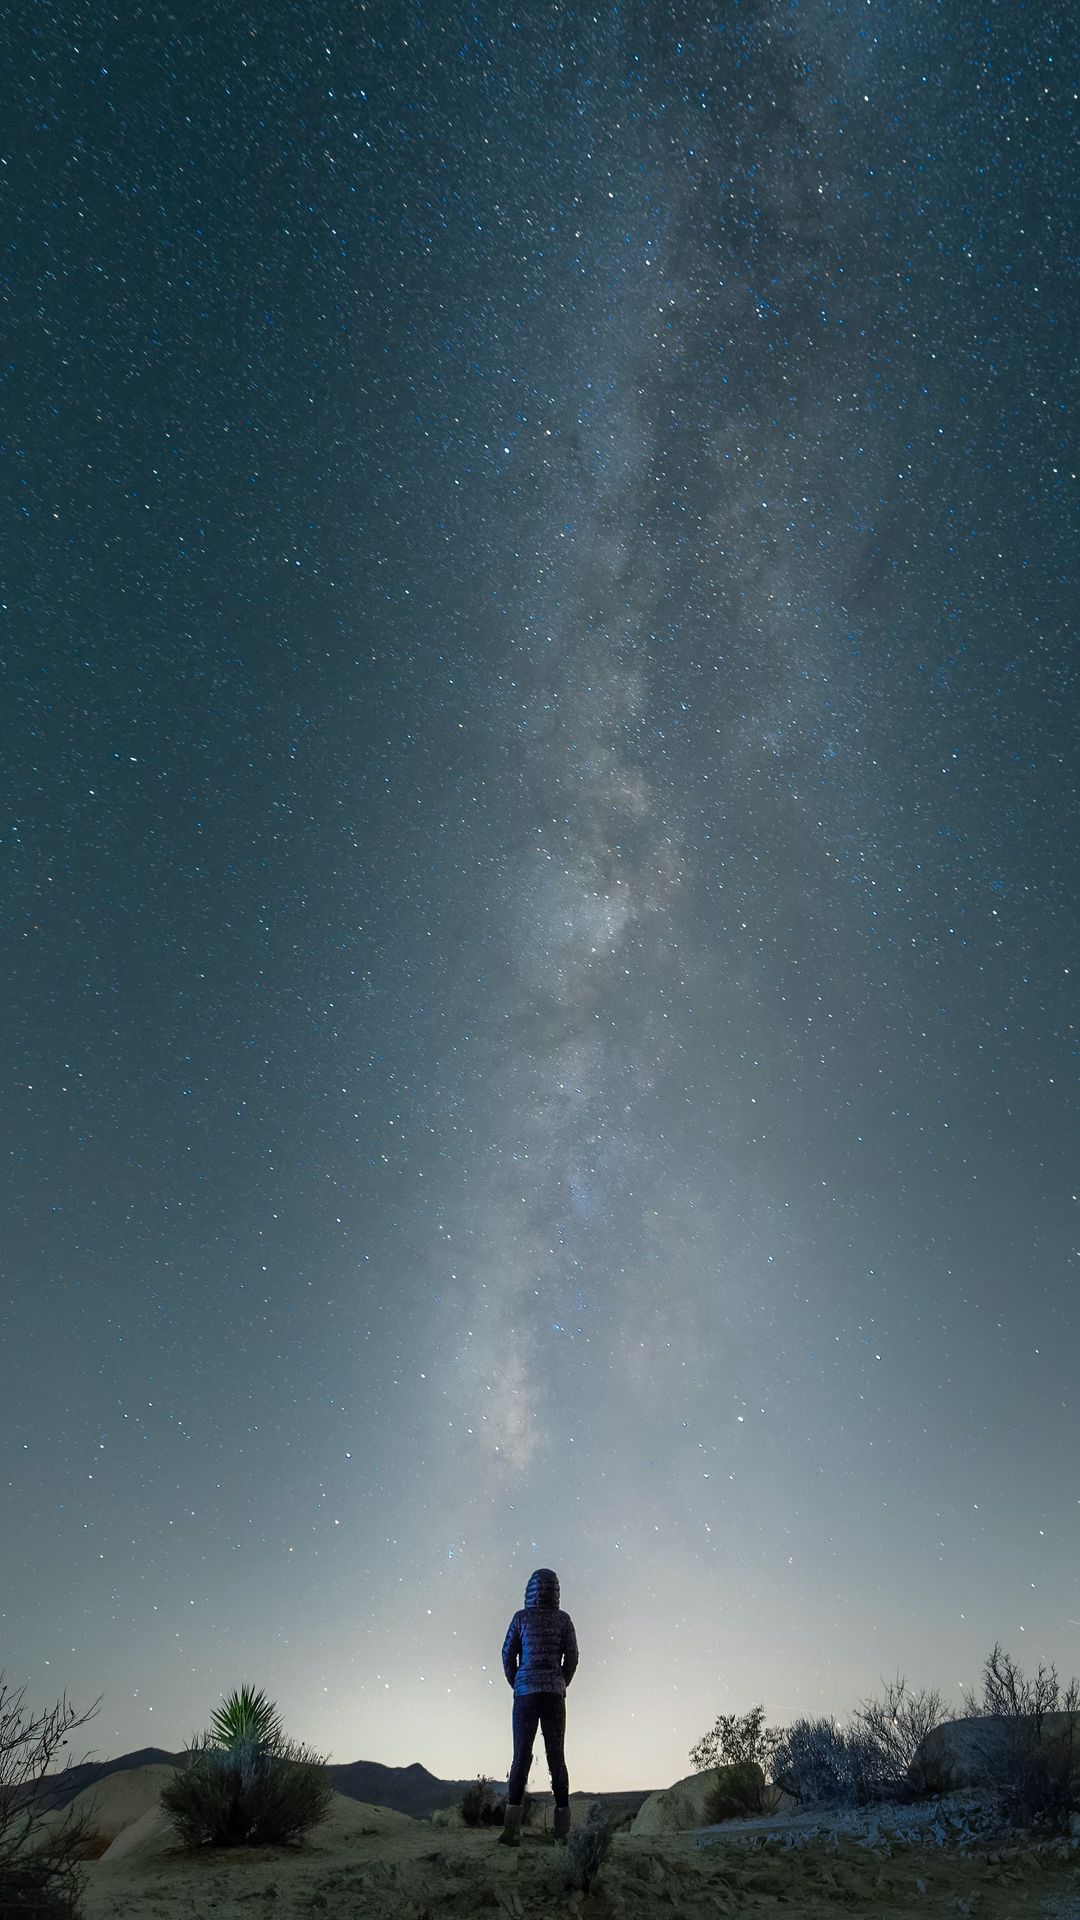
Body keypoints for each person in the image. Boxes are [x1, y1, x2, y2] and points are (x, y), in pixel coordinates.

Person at [498, 1566, 579, 1846]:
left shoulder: (521, 1618)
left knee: (521, 1757)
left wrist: (518, 1682)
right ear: (556, 1591)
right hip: (554, 1694)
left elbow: (507, 1654)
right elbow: (573, 1657)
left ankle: (511, 1832)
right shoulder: (563, 1620)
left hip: (526, 1696)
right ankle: (562, 1832)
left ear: (530, 1590)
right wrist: (559, 1682)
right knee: (556, 1757)